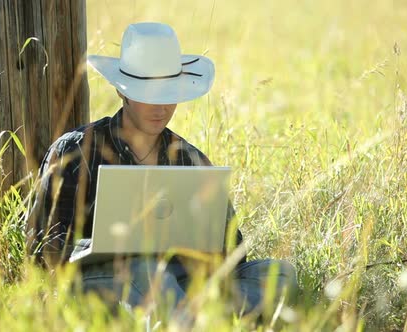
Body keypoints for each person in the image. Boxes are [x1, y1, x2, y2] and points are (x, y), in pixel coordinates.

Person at [26, 22, 297, 319]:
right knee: (149, 272)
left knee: (279, 274)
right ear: (121, 91)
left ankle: (190, 315)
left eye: (169, 92)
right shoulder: (75, 151)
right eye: (148, 93)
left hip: (181, 279)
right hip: (106, 283)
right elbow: (41, 247)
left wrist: (201, 249)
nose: (160, 106)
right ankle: (197, 317)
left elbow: (234, 252)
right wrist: (110, 247)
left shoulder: (191, 159)